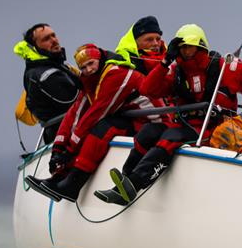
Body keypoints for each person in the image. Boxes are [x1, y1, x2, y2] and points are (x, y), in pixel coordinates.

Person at [96, 24, 242, 205]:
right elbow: (147, 89)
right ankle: (124, 183)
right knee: (147, 132)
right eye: (182, 47)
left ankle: (134, 186)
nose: (186, 51)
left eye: (190, 46)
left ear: (201, 46)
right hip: (185, 124)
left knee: (170, 138)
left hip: (213, 128)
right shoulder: (175, 71)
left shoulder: (226, 67)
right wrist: (165, 61)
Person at [26, 43, 157, 202]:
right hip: (134, 120)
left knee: (102, 128)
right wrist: (58, 150)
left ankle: (73, 183)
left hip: (153, 121)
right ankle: (60, 178)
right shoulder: (90, 80)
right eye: (83, 67)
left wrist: (69, 150)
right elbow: (74, 114)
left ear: (100, 59)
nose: (88, 69)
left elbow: (96, 113)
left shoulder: (116, 74)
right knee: (92, 128)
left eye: (91, 63)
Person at [13, 24, 81, 143]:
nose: (54, 40)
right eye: (46, 39)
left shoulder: (55, 66)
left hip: (73, 129)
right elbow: (74, 101)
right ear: (35, 47)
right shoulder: (43, 75)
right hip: (68, 136)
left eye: (53, 35)